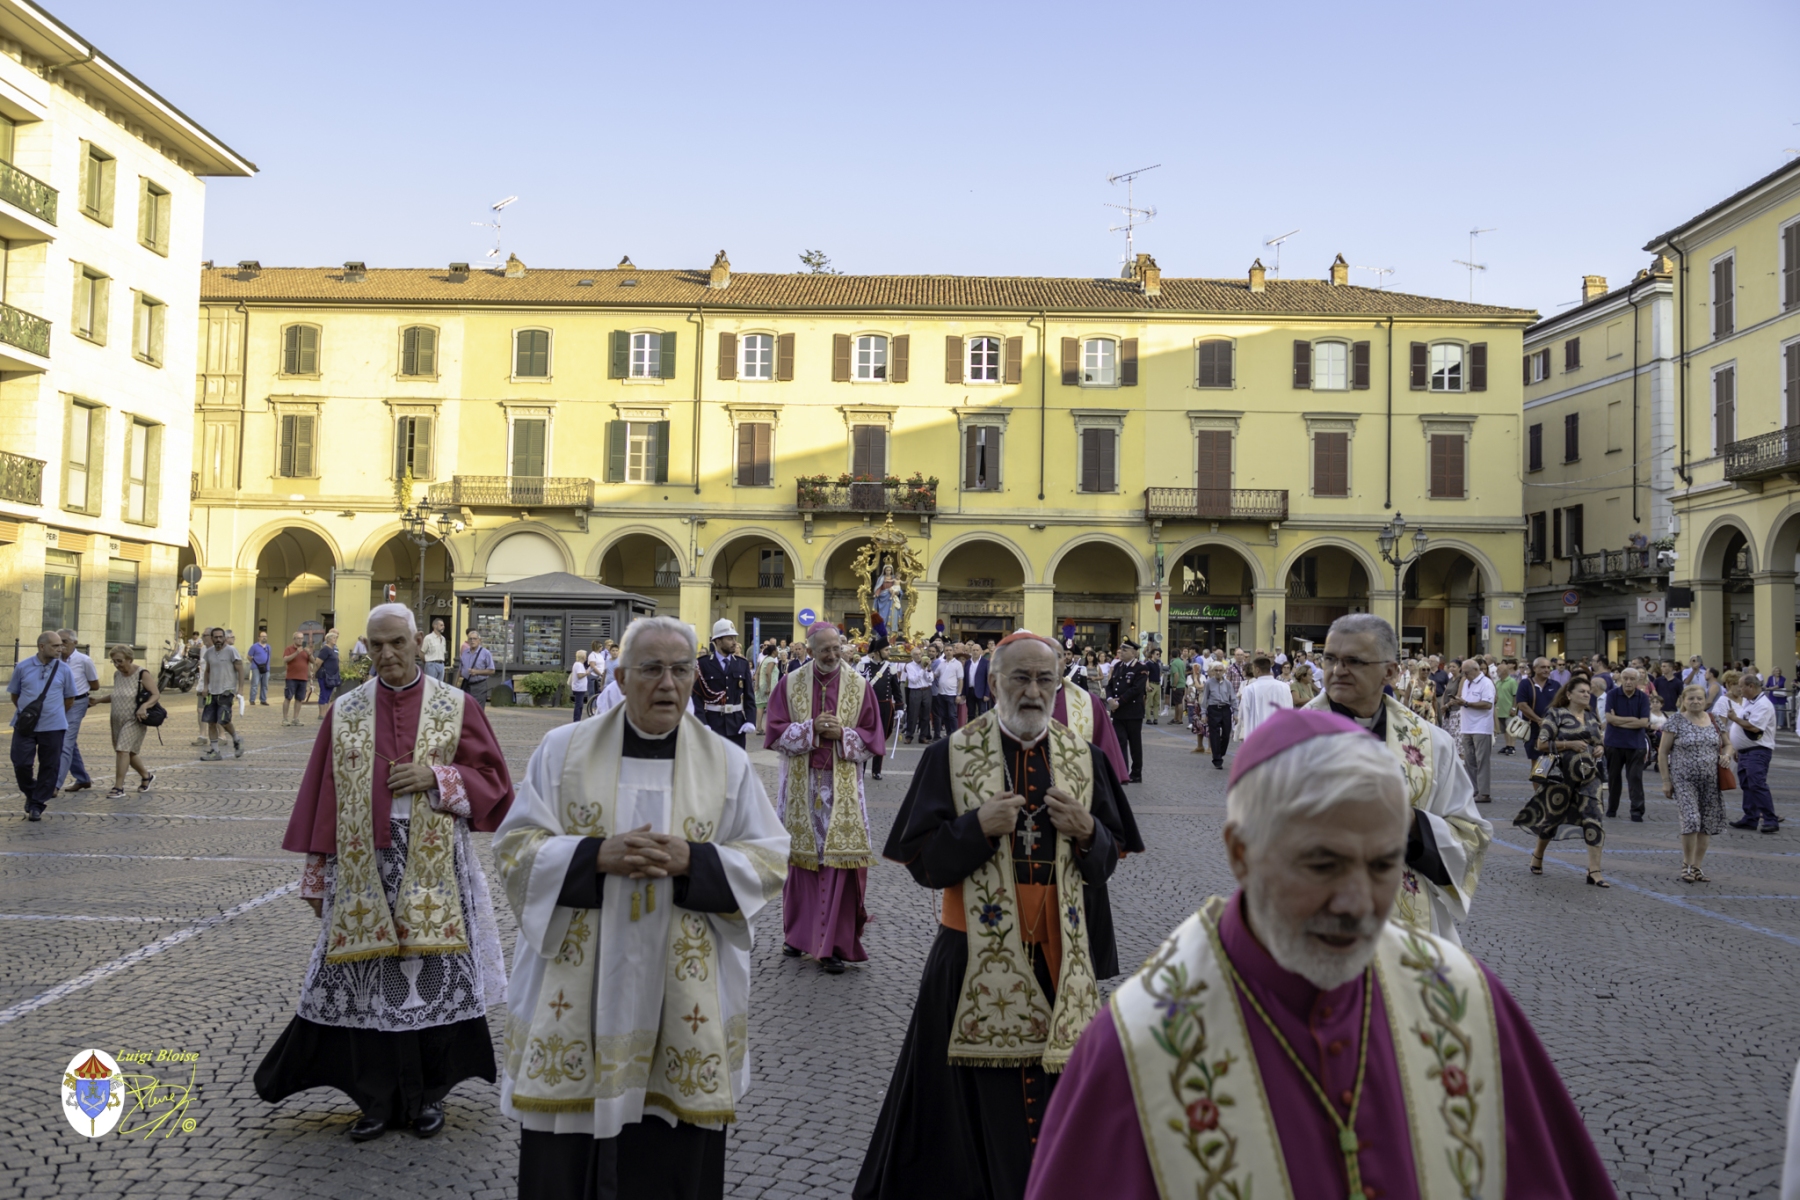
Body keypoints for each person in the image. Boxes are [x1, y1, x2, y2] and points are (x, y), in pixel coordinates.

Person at [1022, 708, 1618, 1200]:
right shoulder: (1139, 1043)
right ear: (1240, 853)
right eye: (1322, 863)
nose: (1358, 902)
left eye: (1383, 863)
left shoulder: (1462, 1000)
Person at [492, 616, 788, 1200]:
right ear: (621, 677)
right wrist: (594, 856)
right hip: (579, 989)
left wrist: (695, 862)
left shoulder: (726, 762)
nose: (668, 684)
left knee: (667, 1156)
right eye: (652, 669)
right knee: (567, 1159)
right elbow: (514, 849)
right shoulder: (563, 750)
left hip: (684, 991)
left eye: (681, 670)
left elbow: (769, 859)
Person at [858, 632, 1142, 1200]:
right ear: (992, 683)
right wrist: (974, 829)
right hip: (970, 963)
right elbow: (921, 862)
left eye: (1045, 679)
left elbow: (1109, 859)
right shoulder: (951, 754)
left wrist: (1088, 833)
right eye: (1020, 678)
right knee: (962, 1114)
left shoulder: (1084, 759)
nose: (1033, 691)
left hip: (1063, 960)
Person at [254, 604, 514, 1141]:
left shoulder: (456, 704)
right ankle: (373, 1099)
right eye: (376, 646)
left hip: (437, 866)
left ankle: (427, 1097)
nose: (387, 655)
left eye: (397, 642)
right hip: (361, 864)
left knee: (428, 978)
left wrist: (437, 777)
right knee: (367, 983)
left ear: (419, 641)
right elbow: (321, 794)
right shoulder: (344, 710)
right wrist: (316, 873)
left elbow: (493, 780)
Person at [1306, 614, 1491, 943]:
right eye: (1330, 659)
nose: (1337, 670)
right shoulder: (1289, 736)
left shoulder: (1433, 744)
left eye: (1354, 661)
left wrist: (1410, 823)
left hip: (1405, 923)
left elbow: (1471, 837)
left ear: (1390, 671)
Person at [763, 622, 884, 974]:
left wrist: (842, 733)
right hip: (802, 787)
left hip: (842, 787)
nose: (833, 655)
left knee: (837, 864)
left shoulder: (860, 686)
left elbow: (873, 735)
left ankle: (831, 943)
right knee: (802, 863)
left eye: (837, 648)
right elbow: (774, 731)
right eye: (825, 649)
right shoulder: (791, 683)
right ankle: (798, 936)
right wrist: (810, 728)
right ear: (810, 650)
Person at [1515, 675, 1610, 886]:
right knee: (1552, 818)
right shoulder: (1556, 714)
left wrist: (1600, 748)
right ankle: (1538, 855)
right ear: (1569, 695)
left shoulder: (1591, 716)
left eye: (1588, 692)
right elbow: (1541, 744)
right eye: (1582, 692)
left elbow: (1598, 741)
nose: (1586, 694)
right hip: (1561, 777)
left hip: (1589, 777)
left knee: (1594, 817)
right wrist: (1569, 744)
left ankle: (1594, 870)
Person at [8, 631, 80, 820]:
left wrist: (53, 714)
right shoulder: (23, 667)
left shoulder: (64, 670)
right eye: (55, 646)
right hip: (25, 726)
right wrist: (30, 714)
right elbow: (15, 695)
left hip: (54, 726)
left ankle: (37, 804)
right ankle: (32, 793)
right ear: (42, 647)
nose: (60, 649)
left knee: (50, 766)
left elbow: (69, 699)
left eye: (61, 645)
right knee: (21, 763)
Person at [1659, 684, 1727, 883]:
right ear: (1683, 700)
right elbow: (1663, 753)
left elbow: (1728, 744)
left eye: (1699, 698)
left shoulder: (1713, 720)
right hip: (1683, 779)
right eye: (1691, 699)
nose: (1696, 702)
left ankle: (1698, 866)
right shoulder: (1675, 721)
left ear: (1705, 700)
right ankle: (1687, 864)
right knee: (1691, 819)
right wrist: (1666, 781)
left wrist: (1728, 756)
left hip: (1711, 780)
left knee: (1706, 824)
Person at [1724, 673, 1780, 834]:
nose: (1739, 689)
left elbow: (1755, 728)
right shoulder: (1750, 702)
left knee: (1757, 784)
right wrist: (1738, 747)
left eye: (1741, 686)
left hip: (1758, 751)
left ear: (1751, 686)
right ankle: (1750, 818)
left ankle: (1770, 819)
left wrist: (1734, 718)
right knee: (1747, 785)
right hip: (1746, 751)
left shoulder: (1763, 704)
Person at [105, 645, 158, 799]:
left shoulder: (142, 673)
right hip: (117, 719)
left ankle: (118, 787)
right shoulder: (117, 675)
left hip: (135, 718)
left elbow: (155, 694)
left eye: (120, 661)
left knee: (122, 750)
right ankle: (146, 776)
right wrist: (97, 701)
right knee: (128, 752)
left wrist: (144, 706)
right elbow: (116, 695)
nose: (117, 665)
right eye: (114, 661)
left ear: (130, 659)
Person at [695, 618, 758, 748]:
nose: (734, 642)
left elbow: (749, 697)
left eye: (734, 638)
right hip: (712, 724)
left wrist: (750, 720)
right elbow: (696, 698)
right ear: (718, 641)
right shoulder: (703, 664)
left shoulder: (742, 664)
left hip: (736, 725)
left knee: (736, 766)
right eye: (730, 638)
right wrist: (702, 723)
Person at [52, 629, 99, 795]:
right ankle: (83, 778)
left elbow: (95, 685)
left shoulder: (84, 660)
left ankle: (54, 785)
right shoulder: (54, 660)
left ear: (74, 643)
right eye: (58, 642)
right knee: (69, 742)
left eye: (64, 641)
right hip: (57, 704)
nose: (61, 645)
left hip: (77, 702)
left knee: (65, 742)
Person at [1603, 667, 1653, 821]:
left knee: (1635, 778)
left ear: (1638, 681)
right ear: (1620, 679)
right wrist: (1633, 720)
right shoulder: (1612, 694)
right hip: (1614, 743)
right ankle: (1612, 808)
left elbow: (1644, 722)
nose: (1628, 682)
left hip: (1635, 744)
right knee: (1613, 778)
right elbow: (1609, 719)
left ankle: (1637, 811)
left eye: (1632, 679)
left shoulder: (1643, 698)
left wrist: (1619, 720)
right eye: (1625, 678)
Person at [1448, 657, 1496, 805]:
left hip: (1481, 727)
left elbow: (1487, 704)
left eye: (1467, 672)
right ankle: (1474, 790)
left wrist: (1467, 703)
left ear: (1476, 670)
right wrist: (1458, 701)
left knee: (1482, 761)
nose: (1464, 675)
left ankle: (1484, 792)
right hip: (1467, 726)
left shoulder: (1486, 683)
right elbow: (1466, 700)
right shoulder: (1467, 682)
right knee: (1469, 761)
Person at [1104, 638, 1150, 783]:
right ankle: (1123, 772)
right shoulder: (1118, 666)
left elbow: (1137, 689)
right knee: (1120, 741)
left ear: (1134, 653)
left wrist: (1120, 702)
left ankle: (1136, 773)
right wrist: (1110, 699)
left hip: (1132, 712)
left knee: (1135, 744)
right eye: (1121, 650)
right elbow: (1110, 685)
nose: (1121, 653)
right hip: (1118, 712)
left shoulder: (1141, 668)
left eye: (1125, 650)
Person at [862, 636, 905, 781]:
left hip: (885, 706)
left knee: (880, 739)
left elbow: (896, 689)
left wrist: (899, 706)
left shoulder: (890, 668)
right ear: (878, 651)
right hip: (868, 707)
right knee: (865, 737)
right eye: (886, 650)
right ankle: (861, 769)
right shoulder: (864, 667)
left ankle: (876, 770)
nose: (889, 652)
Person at [198, 626, 245, 761]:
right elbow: (207, 671)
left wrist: (240, 688)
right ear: (212, 638)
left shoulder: (231, 651)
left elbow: (240, 669)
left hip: (226, 691)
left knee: (223, 720)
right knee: (211, 721)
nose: (218, 639)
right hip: (212, 691)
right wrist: (205, 687)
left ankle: (236, 739)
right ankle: (215, 751)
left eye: (220, 637)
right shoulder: (209, 652)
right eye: (215, 637)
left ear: (224, 637)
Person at [1235, 653, 1292, 745]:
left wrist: (1239, 733)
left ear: (1257, 670)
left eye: (1253, 669)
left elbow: (1243, 714)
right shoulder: (1284, 687)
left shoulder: (1249, 689)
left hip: (1257, 736)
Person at [1199, 659, 1237, 769]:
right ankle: (1217, 759)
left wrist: (1235, 712)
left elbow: (1233, 698)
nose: (1218, 672)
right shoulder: (1209, 683)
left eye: (1221, 670)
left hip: (1225, 709)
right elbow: (1205, 699)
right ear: (1213, 671)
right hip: (1213, 709)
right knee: (1214, 735)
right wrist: (1203, 714)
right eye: (1216, 670)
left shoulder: (1228, 684)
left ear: (1224, 671)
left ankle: (1220, 752)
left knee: (1226, 734)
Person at [931, 640, 964, 739]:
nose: (949, 652)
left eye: (950, 650)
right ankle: (949, 734)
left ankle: (954, 735)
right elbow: (935, 675)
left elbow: (960, 680)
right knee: (944, 715)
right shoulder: (941, 664)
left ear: (953, 652)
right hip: (941, 693)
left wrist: (959, 694)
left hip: (952, 694)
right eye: (947, 650)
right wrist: (926, 669)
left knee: (952, 715)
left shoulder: (957, 664)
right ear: (944, 652)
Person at [457, 630, 495, 707]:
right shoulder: (465, 653)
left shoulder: (485, 653)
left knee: (478, 709)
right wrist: (456, 685)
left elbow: (492, 670)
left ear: (479, 640)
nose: (472, 641)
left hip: (479, 686)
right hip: (466, 685)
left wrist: (477, 672)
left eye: (475, 639)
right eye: (470, 639)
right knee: (466, 709)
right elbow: (460, 670)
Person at [282, 633, 312, 727]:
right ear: (294, 639)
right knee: (288, 697)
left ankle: (295, 718)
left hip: (303, 678)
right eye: (298, 638)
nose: (300, 640)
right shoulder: (289, 649)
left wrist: (309, 654)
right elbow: (285, 659)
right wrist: (296, 653)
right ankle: (285, 719)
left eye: (302, 638)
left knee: (299, 699)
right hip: (291, 677)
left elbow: (313, 661)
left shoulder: (305, 650)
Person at [903, 648, 932, 744]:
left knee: (925, 715)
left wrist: (928, 669)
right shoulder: (909, 666)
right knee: (913, 714)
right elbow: (913, 680)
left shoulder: (926, 664)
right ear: (912, 656)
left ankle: (923, 736)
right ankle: (909, 736)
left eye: (920, 654)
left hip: (926, 690)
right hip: (915, 690)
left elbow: (930, 679)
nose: (918, 656)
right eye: (916, 654)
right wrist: (922, 670)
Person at [754, 639, 781, 733]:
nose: (778, 652)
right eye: (777, 650)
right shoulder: (771, 660)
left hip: (761, 685)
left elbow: (757, 673)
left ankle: (759, 727)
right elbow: (768, 673)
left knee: (760, 706)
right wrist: (769, 687)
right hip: (768, 686)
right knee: (772, 707)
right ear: (773, 652)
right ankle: (770, 728)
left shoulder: (764, 659)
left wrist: (757, 685)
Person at [315, 630, 342, 718]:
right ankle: (321, 714)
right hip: (325, 675)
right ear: (328, 639)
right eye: (334, 638)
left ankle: (325, 712)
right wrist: (314, 672)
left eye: (336, 638)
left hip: (332, 676)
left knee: (328, 695)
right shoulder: (325, 649)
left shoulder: (333, 649)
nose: (335, 639)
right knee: (324, 693)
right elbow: (318, 662)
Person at [1496, 658, 1519, 755]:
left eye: (1498, 670)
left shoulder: (1512, 682)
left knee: (1511, 729)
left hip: (1509, 709)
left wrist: (1514, 708)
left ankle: (1512, 746)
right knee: (1505, 729)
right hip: (1500, 710)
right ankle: (1507, 745)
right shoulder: (1497, 682)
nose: (1497, 672)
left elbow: (1516, 695)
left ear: (1505, 671)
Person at [421, 617, 448, 682]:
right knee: (430, 685)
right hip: (431, 664)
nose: (443, 627)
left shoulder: (443, 639)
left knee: (439, 687)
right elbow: (421, 652)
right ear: (435, 626)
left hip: (441, 665)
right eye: (441, 625)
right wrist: (427, 662)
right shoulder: (428, 638)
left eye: (443, 625)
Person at [249, 630, 273, 705]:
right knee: (255, 684)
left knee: (265, 685)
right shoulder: (254, 646)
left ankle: (263, 700)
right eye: (262, 636)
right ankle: (252, 700)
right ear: (259, 638)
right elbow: (249, 656)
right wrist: (254, 663)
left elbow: (269, 656)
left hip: (266, 668)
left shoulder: (269, 647)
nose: (264, 638)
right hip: (256, 667)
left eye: (265, 636)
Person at [567, 649, 589, 723]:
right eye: (585, 656)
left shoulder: (577, 664)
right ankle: (576, 720)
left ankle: (577, 719)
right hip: (579, 688)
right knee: (579, 705)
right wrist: (586, 673)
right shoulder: (579, 665)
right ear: (583, 657)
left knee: (580, 705)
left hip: (579, 687)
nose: (586, 657)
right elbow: (579, 675)